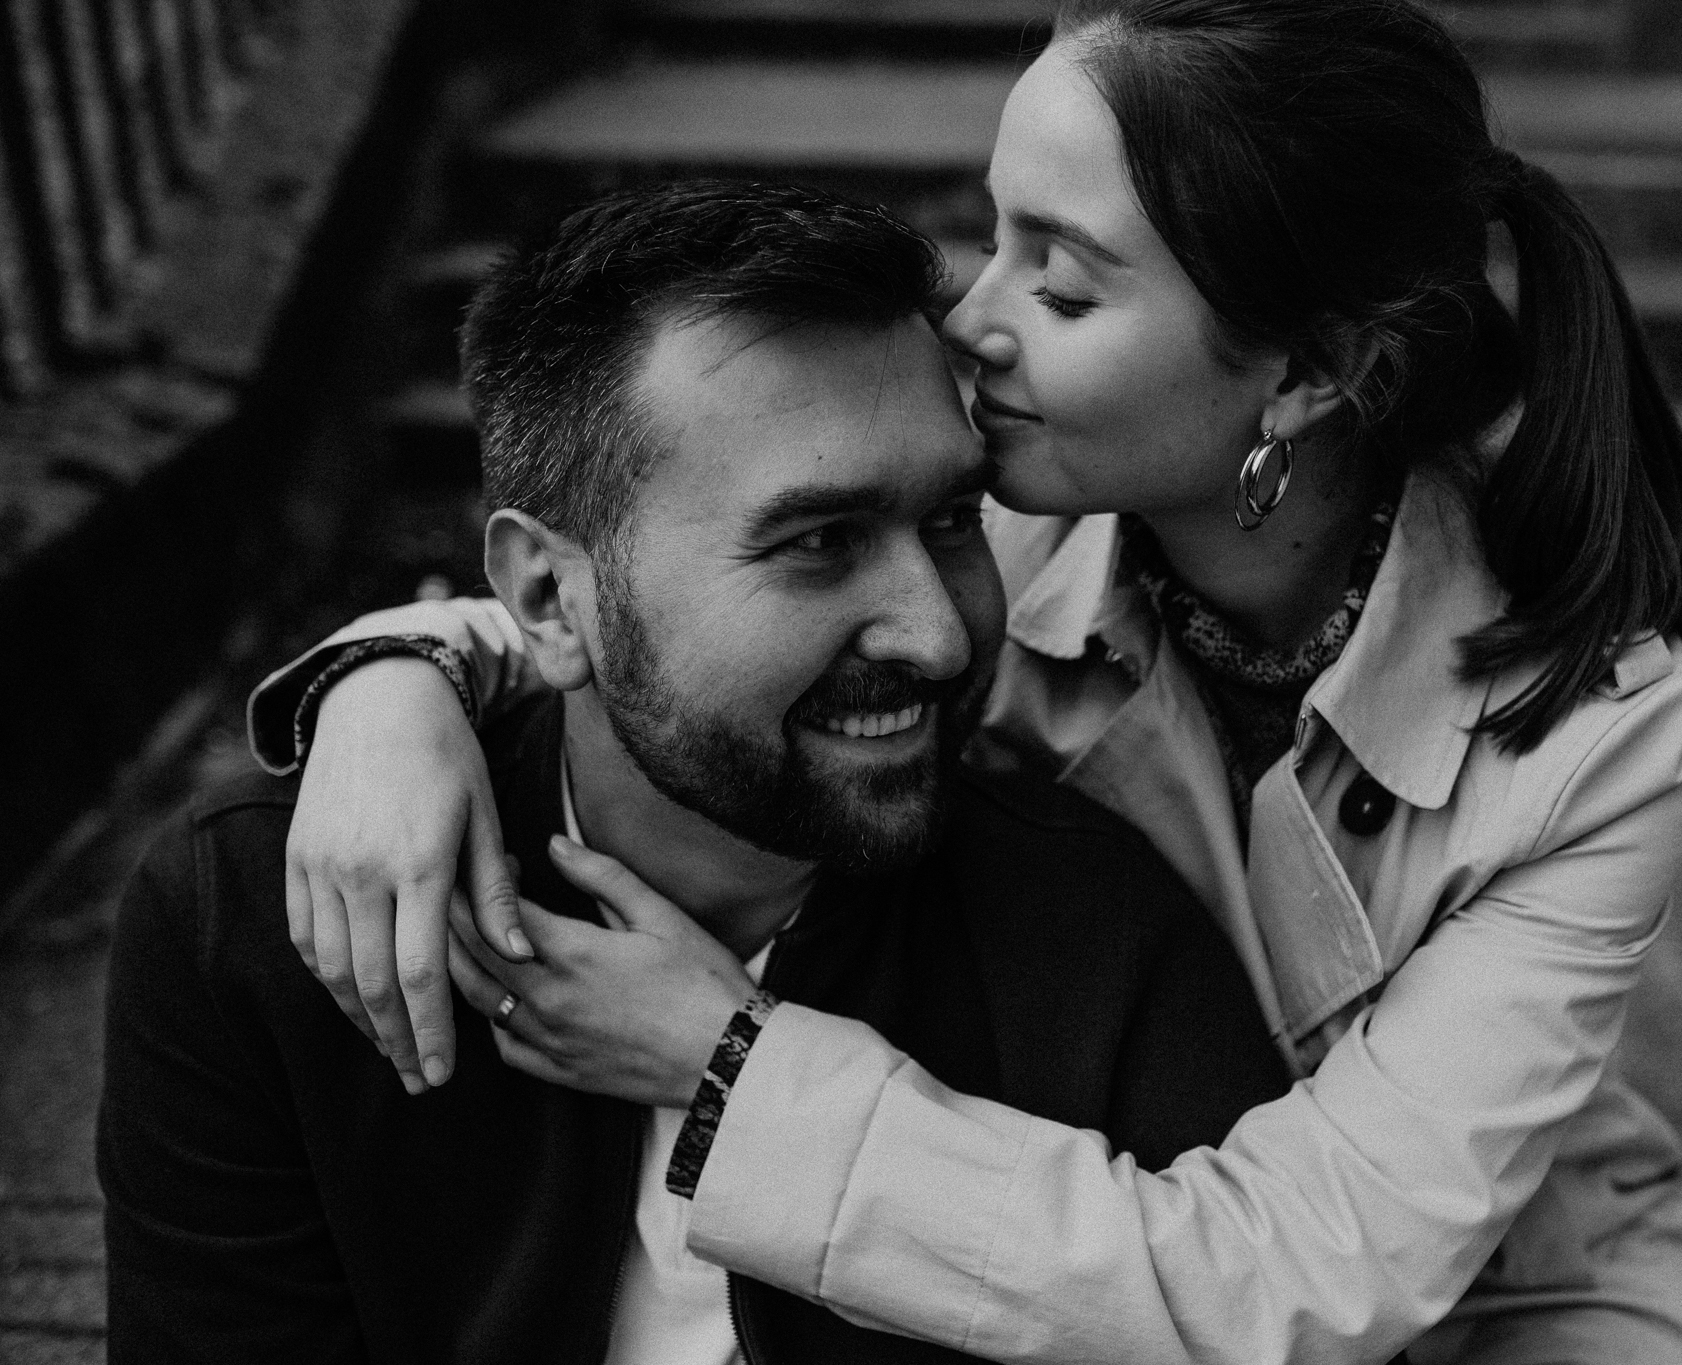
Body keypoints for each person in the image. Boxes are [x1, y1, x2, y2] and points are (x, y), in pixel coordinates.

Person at [248, 1, 1682, 1362]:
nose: (970, 326)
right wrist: (395, 683)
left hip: (1467, 1280)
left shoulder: (1612, 736)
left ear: (1305, 374)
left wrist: (728, 1070)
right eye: (999, 235)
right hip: (1041, 1188)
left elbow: (1305, 1283)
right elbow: (667, 620)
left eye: (1064, 286)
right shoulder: (1001, 529)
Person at [96, 181, 1294, 1365]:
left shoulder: (1091, 936)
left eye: (948, 520)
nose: (934, 637)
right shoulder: (262, 922)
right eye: (816, 543)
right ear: (545, 597)